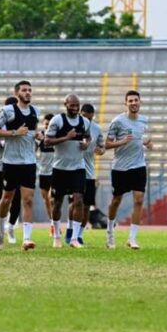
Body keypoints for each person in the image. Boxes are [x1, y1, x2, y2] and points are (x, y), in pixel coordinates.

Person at [0, 81, 41, 251]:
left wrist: (38, 135)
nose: (28, 93)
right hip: (11, 162)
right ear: (17, 93)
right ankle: (0, 231)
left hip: (29, 162)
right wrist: (14, 132)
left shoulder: (35, 111)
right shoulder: (8, 111)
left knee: (28, 200)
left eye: (30, 90)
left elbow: (32, 132)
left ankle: (26, 239)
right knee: (6, 199)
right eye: (24, 90)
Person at [105, 90, 151, 250]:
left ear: (140, 102)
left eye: (136, 100)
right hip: (120, 167)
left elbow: (146, 141)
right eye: (130, 101)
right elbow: (106, 144)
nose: (133, 103)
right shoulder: (117, 121)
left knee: (139, 199)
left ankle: (132, 238)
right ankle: (110, 232)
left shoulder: (144, 121)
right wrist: (122, 141)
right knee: (116, 200)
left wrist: (149, 144)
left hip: (139, 165)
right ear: (125, 103)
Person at [43, 94, 90, 249]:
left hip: (78, 167)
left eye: (77, 105)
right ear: (66, 105)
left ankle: (74, 238)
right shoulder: (57, 120)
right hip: (60, 169)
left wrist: (86, 144)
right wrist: (66, 137)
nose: (75, 108)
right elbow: (47, 141)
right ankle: (56, 236)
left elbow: (88, 137)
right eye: (72, 105)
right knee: (57, 203)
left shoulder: (84, 121)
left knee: (79, 200)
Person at [0, 96, 22, 243]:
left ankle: (11, 227)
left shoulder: (22, 123)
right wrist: (0, 144)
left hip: (17, 165)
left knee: (17, 199)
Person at [74, 103, 105, 245]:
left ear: (93, 116)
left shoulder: (97, 129)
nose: (86, 120)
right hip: (73, 170)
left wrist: (101, 150)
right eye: (84, 117)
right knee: (75, 203)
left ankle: (79, 235)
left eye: (89, 118)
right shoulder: (73, 125)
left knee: (86, 205)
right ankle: (71, 232)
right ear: (80, 114)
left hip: (89, 172)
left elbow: (102, 147)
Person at [36, 113, 55, 235]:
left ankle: (55, 223)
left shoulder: (57, 137)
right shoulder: (40, 136)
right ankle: (52, 223)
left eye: (50, 124)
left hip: (54, 172)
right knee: (46, 201)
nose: (47, 126)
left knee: (51, 198)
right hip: (43, 172)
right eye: (46, 124)